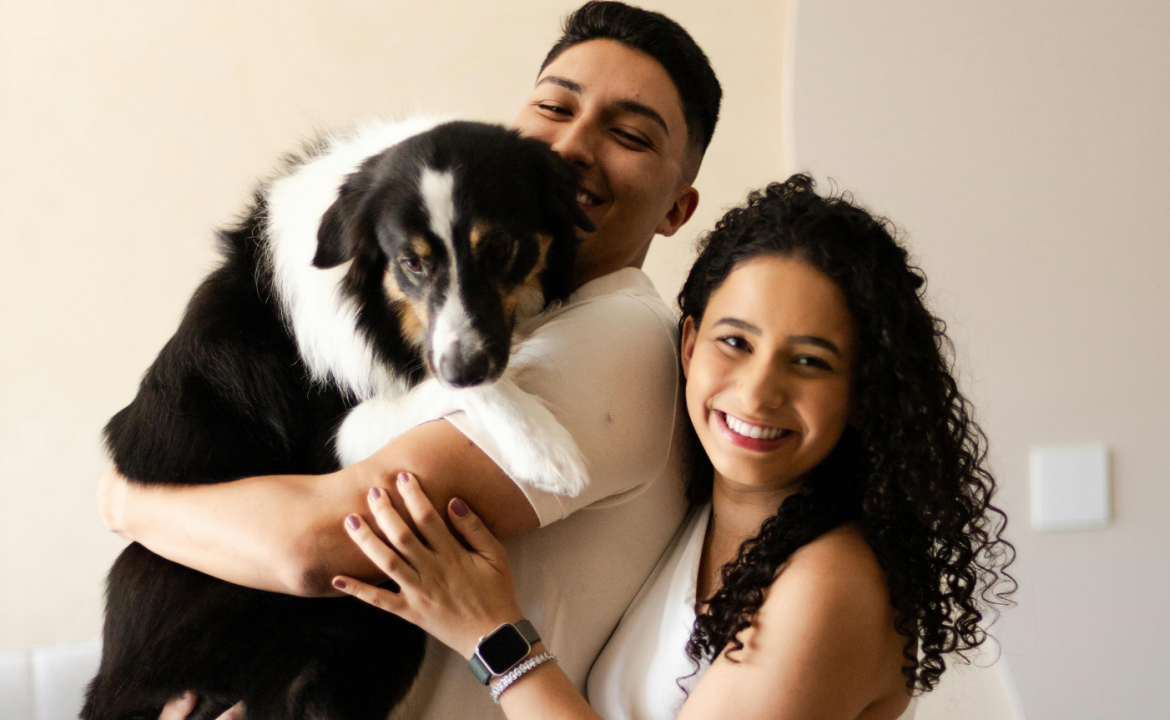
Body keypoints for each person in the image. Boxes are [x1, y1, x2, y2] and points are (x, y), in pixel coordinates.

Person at [96, 3, 722, 719]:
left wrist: (129, 502)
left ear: (678, 208)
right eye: (554, 105)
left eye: (629, 134)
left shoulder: (617, 336)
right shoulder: (529, 321)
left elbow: (320, 541)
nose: (574, 145)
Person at [331, 175, 1016, 720]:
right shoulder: (695, 512)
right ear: (688, 344)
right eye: (735, 343)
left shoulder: (831, 586)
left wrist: (495, 636)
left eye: (809, 362)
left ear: (862, 391)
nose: (757, 393)